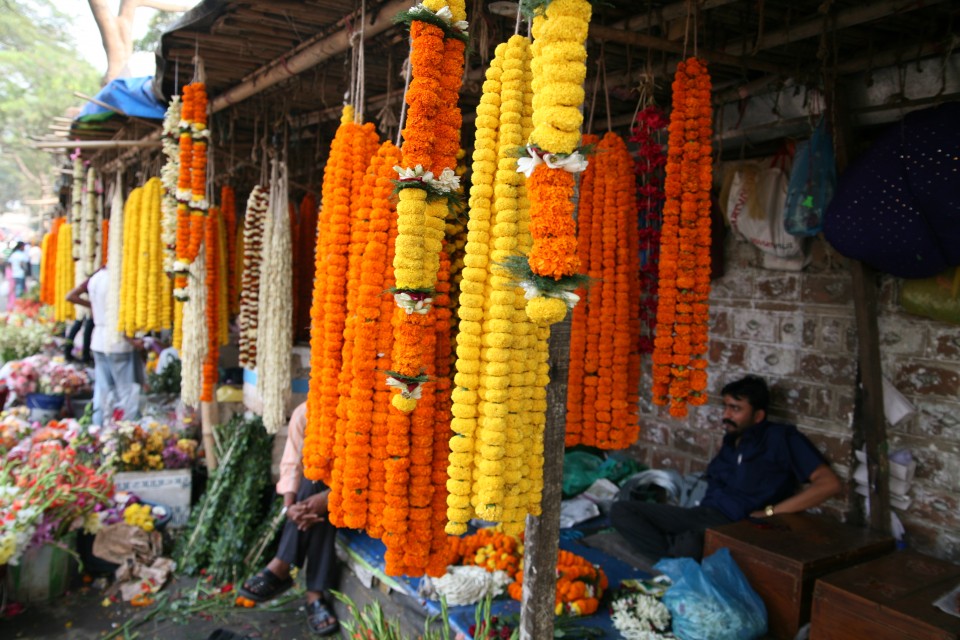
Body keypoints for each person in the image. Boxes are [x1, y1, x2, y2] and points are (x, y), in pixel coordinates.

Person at [610, 375, 842, 561]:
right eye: (726, 407)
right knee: (622, 510)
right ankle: (674, 555)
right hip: (701, 514)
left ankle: (675, 553)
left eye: (735, 409)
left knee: (691, 543)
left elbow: (829, 484)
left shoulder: (781, 439)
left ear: (758, 415)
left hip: (737, 525)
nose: (726, 415)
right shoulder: (732, 441)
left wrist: (772, 512)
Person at [238, 403, 339, 636]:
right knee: (311, 484)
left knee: (319, 495)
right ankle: (314, 595)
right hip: (316, 493)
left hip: (355, 493)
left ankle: (282, 566)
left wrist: (330, 497)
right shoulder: (305, 412)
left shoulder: (361, 409)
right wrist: (290, 507)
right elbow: (292, 461)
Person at [67, 266, 141, 425]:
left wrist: (93, 306)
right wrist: (132, 341)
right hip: (118, 342)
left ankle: (98, 428)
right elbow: (117, 315)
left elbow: (71, 296)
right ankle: (127, 429)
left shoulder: (95, 278)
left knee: (102, 389)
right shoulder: (119, 278)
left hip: (98, 341)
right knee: (125, 391)